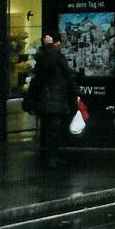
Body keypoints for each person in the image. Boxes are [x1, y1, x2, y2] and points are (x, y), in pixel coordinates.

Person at [31, 33, 78, 169]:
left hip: (59, 100)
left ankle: (54, 156)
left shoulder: (56, 57)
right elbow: (50, 62)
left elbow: (67, 75)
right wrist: (49, 46)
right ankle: (51, 157)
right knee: (53, 130)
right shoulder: (46, 57)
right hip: (51, 100)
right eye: (55, 42)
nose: (58, 45)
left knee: (56, 130)